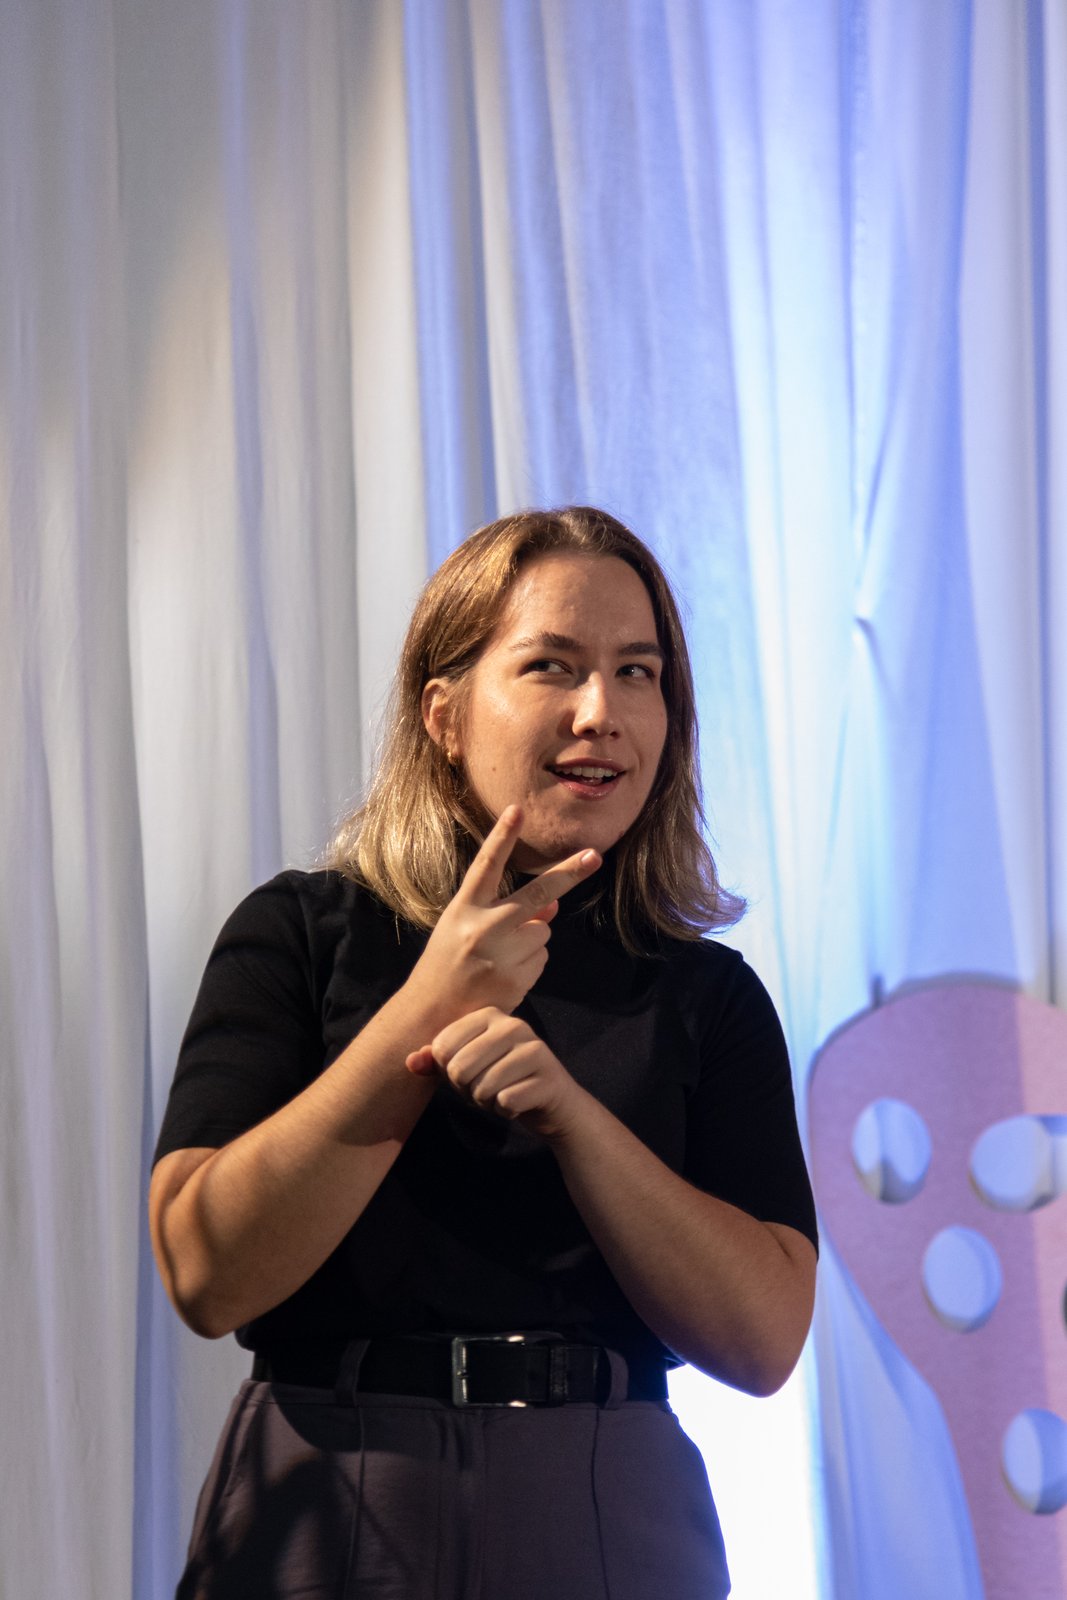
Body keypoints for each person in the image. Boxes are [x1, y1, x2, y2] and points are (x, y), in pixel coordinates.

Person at [149, 505, 818, 1600]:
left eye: (637, 672)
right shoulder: (302, 932)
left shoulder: (706, 994)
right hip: (335, 1474)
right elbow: (205, 1274)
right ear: (444, 714)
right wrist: (429, 1006)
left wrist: (576, 1122)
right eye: (551, 665)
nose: (600, 712)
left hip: (604, 1492)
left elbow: (762, 1340)